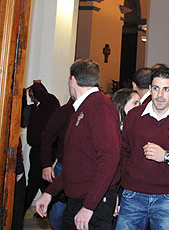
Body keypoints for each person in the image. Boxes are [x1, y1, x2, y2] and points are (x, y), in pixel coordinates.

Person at [35, 59, 121, 230]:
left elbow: (109, 158)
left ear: (72, 80)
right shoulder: (80, 109)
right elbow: (76, 164)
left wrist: (89, 206)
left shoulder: (100, 107)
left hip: (92, 202)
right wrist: (49, 192)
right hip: (78, 199)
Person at [115, 66, 169, 230]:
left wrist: (167, 156)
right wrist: (116, 192)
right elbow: (123, 155)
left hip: (168, 198)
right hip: (132, 195)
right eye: (156, 88)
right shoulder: (134, 116)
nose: (160, 95)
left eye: (166, 89)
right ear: (150, 89)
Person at [24, 81, 60, 214]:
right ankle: (51, 208)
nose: (32, 97)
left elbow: (40, 93)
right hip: (36, 149)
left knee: (33, 181)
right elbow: (23, 118)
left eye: (32, 94)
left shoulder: (50, 101)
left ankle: (18, 212)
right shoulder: (36, 107)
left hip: (45, 148)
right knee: (41, 181)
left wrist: (35, 84)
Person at [40, 99, 75, 230]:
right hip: (63, 165)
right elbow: (47, 137)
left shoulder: (94, 111)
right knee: (58, 211)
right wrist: (46, 165)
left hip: (84, 169)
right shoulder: (64, 111)